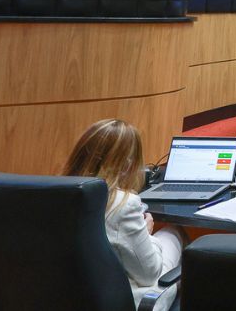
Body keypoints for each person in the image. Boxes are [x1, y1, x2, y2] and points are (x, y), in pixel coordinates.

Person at [63, 119, 184, 308]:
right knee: (174, 234)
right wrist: (147, 233)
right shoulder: (123, 204)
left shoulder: (55, 195)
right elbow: (149, 274)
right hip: (128, 301)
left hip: (69, 300)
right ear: (127, 165)